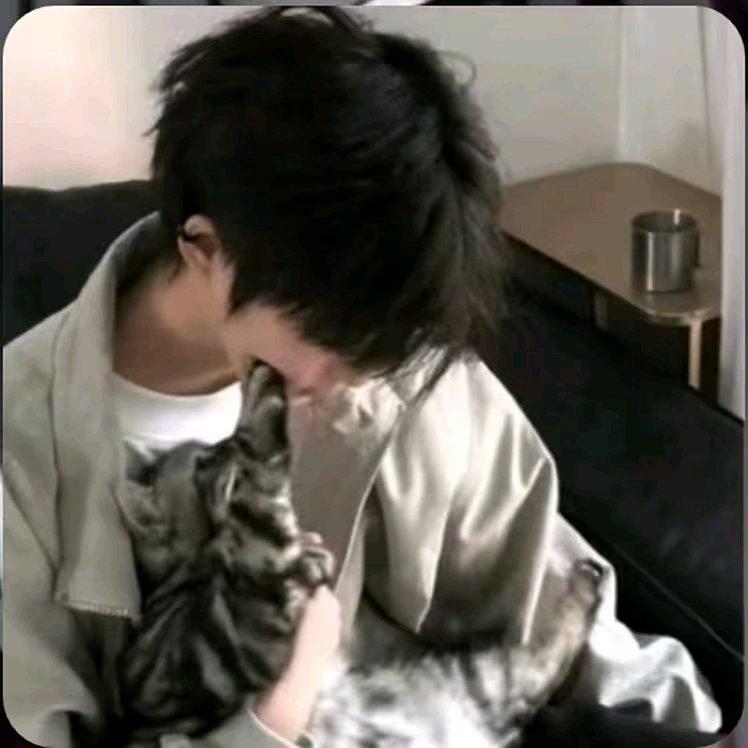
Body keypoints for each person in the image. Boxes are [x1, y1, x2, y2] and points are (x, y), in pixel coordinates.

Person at [2, 7, 721, 747]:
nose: (354, 379)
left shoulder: (395, 357)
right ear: (205, 249)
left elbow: (569, 623)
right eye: (326, 337)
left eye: (381, 345)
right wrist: (280, 701)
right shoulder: (20, 459)